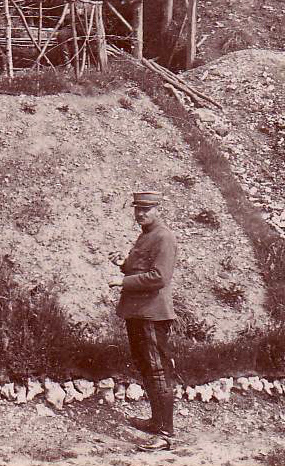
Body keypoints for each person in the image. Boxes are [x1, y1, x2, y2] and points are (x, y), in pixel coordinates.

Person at [108, 191, 177, 452]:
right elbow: (142, 271)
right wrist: (124, 264)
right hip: (138, 311)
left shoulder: (164, 237)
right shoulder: (147, 234)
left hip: (152, 313)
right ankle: (156, 422)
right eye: (138, 209)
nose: (141, 214)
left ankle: (166, 434)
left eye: (146, 209)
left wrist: (122, 281)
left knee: (157, 370)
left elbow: (159, 277)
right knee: (146, 367)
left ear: (158, 209)